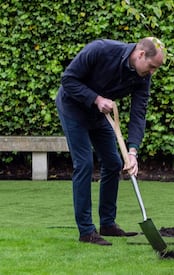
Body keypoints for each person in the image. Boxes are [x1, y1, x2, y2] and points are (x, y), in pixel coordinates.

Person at [56, 37, 165, 245]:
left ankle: (107, 224)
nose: (152, 72)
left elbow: (138, 114)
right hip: (73, 108)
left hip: (100, 116)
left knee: (114, 163)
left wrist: (132, 152)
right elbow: (68, 80)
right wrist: (96, 99)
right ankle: (86, 231)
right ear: (141, 54)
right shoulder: (101, 50)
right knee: (84, 163)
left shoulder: (143, 78)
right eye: (152, 66)